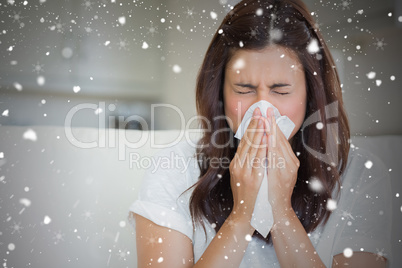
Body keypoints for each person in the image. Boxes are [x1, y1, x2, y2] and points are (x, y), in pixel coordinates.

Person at [129, 0, 392, 267]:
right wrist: (242, 215)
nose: (262, 111)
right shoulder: (175, 169)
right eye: (244, 89)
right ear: (219, 92)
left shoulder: (360, 175)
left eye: (281, 91)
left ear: (311, 94)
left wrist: (281, 212)